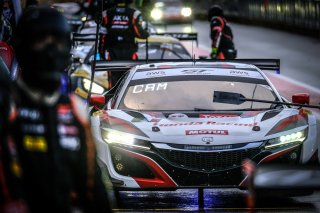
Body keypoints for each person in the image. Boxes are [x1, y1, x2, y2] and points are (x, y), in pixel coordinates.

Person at [9, 7, 110, 212]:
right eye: (41, 41)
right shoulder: (7, 106)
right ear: (22, 46)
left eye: (58, 42)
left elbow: (92, 185)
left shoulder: (76, 110)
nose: (50, 50)